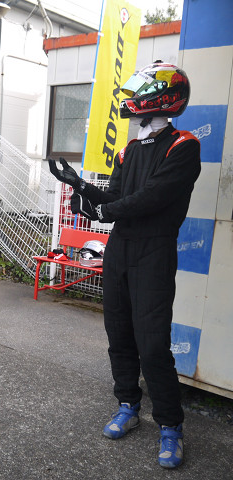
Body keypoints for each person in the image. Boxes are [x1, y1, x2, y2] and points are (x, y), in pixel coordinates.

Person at [49, 62, 201, 469]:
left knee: (152, 344)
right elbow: (116, 195)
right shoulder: (128, 149)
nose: (131, 99)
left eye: (139, 92)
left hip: (154, 251)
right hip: (119, 250)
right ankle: (128, 405)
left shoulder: (183, 146)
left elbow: (152, 197)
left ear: (161, 98)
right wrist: (81, 186)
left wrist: (103, 212)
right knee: (118, 334)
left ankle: (170, 426)